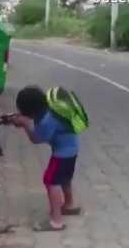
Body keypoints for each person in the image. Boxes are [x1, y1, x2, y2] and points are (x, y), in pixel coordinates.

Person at [11, 86, 81, 232]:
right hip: (72, 149)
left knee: (51, 181)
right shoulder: (50, 110)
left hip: (62, 153)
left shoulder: (47, 120)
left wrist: (24, 125)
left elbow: (37, 139)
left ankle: (56, 221)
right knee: (64, 178)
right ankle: (69, 205)